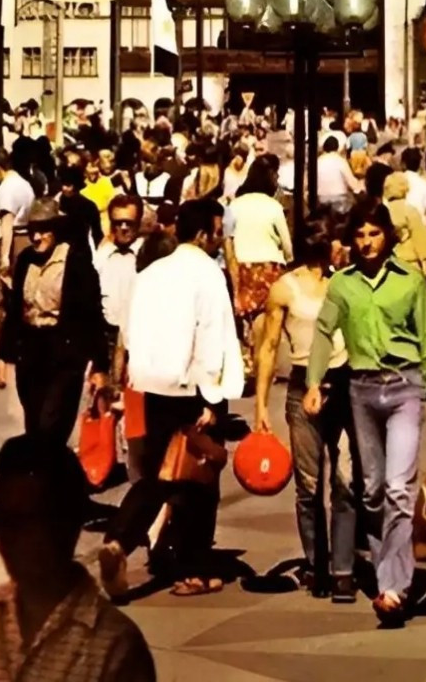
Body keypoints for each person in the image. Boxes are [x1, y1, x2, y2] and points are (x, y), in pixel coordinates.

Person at [306, 197, 426, 628]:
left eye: (375, 234)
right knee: (371, 490)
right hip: (361, 390)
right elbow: (322, 331)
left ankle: (393, 587)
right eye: (360, 235)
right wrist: (314, 382)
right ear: (351, 240)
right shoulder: (343, 284)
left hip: (405, 387)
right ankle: (388, 566)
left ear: (388, 236)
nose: (368, 243)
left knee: (398, 488)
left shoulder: (410, 281)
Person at [100, 194, 244, 600]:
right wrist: (213, 400)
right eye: (217, 234)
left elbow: (130, 332)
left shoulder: (150, 273)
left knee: (160, 477)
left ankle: (119, 540)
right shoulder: (207, 273)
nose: (219, 241)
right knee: (200, 479)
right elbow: (212, 334)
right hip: (194, 386)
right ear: (202, 234)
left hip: (152, 386)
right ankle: (193, 569)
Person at [0, 433, 155, 682]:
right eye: (0, 521)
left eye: (22, 522)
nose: (6, 537)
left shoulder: (114, 648)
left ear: (66, 524)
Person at [254, 222, 356, 602]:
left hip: (343, 383)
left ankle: (342, 570)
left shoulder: (345, 281)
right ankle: (317, 565)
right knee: (308, 485)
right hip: (301, 387)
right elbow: (268, 346)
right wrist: (261, 404)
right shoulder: (286, 288)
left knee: (346, 480)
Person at [0, 194, 107, 441]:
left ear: (56, 229)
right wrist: (2, 354)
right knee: (34, 425)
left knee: (51, 424)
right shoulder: (25, 260)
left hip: (63, 355)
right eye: (33, 230)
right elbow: (14, 311)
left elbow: (92, 314)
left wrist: (100, 365)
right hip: (31, 353)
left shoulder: (76, 260)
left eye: (43, 230)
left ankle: (50, 474)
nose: (36, 237)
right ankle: (45, 476)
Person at [223, 153, 292, 350]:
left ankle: (252, 359)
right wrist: (289, 261)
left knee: (248, 321)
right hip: (270, 267)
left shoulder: (233, 206)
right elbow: (287, 245)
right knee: (268, 321)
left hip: (242, 267)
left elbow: (228, 241)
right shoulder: (274, 207)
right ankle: (263, 360)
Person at [95, 191, 143, 377]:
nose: (123, 228)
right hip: (106, 336)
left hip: (137, 339)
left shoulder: (146, 256)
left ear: (138, 223)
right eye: (117, 222)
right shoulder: (101, 256)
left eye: (129, 223)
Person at [0, 147, 35, 291]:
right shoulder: (26, 185)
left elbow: (7, 223)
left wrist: (4, 257)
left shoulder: (6, 188)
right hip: (25, 238)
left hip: (11, 244)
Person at [315, 135, 360, 220]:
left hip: (321, 199)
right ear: (337, 148)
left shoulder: (317, 161)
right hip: (340, 200)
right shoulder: (340, 161)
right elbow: (352, 183)